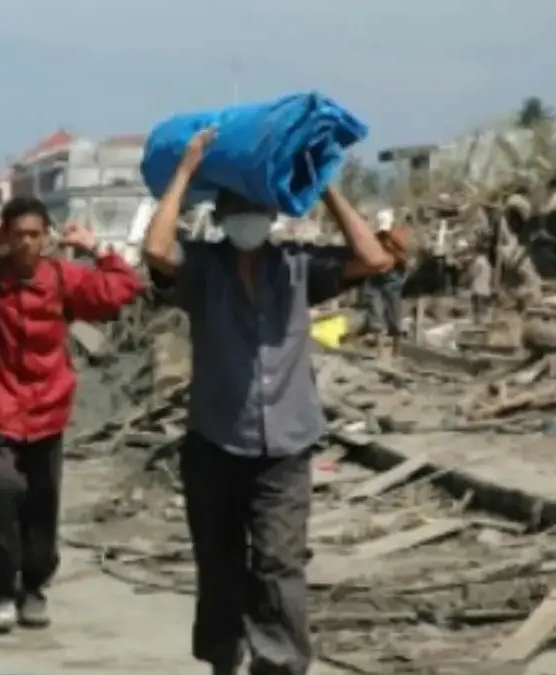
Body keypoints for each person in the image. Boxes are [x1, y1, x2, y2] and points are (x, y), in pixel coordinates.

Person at [144, 128, 394, 675]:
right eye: (237, 211)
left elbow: (374, 260)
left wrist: (324, 186)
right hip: (216, 443)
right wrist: (185, 171)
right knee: (220, 563)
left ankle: (278, 665)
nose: (248, 220)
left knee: (280, 565)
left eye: (257, 209)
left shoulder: (300, 267)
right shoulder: (204, 270)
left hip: (286, 445)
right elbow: (156, 250)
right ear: (221, 217)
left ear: (272, 214)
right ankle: (223, 658)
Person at [0, 195, 144, 633]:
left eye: (35, 235)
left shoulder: (64, 278)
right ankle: (1, 590)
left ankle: (33, 589)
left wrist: (96, 249)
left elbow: (122, 288)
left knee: (41, 504)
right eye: (18, 235)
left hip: (48, 409)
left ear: (48, 237)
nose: (27, 244)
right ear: (6, 238)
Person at [364, 210, 411, 356]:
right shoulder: (377, 238)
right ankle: (382, 349)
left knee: (393, 310)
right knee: (378, 309)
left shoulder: (397, 236)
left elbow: (405, 254)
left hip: (392, 275)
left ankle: (394, 349)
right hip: (379, 275)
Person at [470, 244, 493, 323]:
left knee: (477, 311)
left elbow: (473, 273)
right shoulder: (487, 263)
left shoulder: (478, 261)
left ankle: (477, 323)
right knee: (484, 311)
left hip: (478, 289)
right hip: (486, 290)